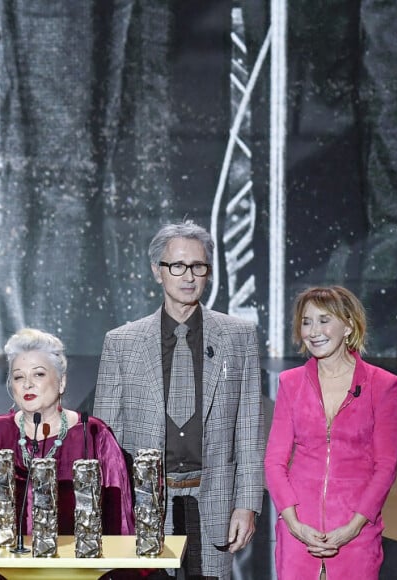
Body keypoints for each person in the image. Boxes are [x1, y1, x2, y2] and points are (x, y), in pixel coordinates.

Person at [93, 221, 265, 579]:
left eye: (198, 266)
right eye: (178, 266)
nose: (189, 276)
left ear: (208, 272)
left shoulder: (239, 337)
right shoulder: (121, 342)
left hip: (214, 500)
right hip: (146, 505)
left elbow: (249, 430)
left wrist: (248, 504)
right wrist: (111, 511)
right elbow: (105, 442)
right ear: (158, 271)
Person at [0, 328, 134, 580]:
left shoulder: (94, 434)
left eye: (38, 374)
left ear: (62, 382)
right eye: (18, 377)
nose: (27, 384)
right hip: (6, 571)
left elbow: (120, 516)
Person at [264, 285, 397, 579]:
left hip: (357, 534)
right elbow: (274, 462)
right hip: (297, 532)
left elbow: (386, 466)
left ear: (349, 325)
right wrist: (294, 524)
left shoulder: (382, 384)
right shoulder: (291, 382)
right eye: (306, 321)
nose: (314, 331)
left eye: (324, 320)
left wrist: (352, 528)